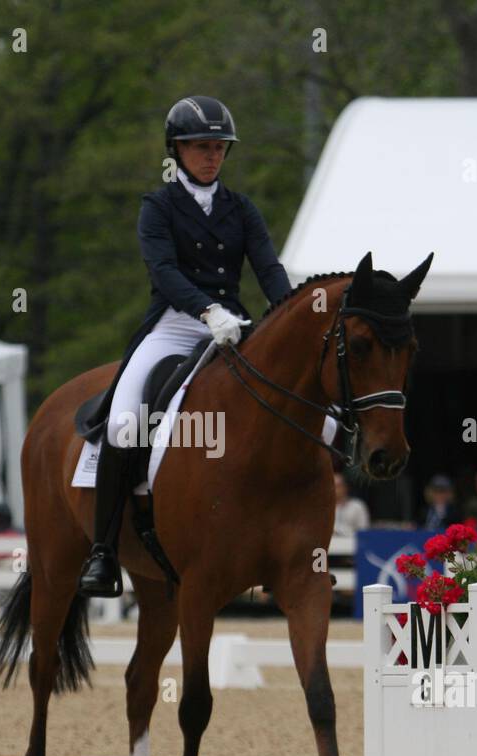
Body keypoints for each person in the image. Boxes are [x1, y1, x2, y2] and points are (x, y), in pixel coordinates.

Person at [75, 95, 293, 597]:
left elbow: (269, 269)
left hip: (233, 327)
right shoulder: (158, 206)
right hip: (175, 323)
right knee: (127, 420)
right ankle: (104, 553)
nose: (211, 155)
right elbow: (164, 272)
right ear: (177, 149)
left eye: (218, 147)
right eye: (200, 147)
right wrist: (205, 310)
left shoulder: (242, 209)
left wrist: (285, 316)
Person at [333, 471, 371, 538]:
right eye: (332, 485)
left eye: (338, 486)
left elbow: (364, 530)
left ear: (345, 487)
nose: (334, 489)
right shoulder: (322, 509)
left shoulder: (357, 506)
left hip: (352, 544)